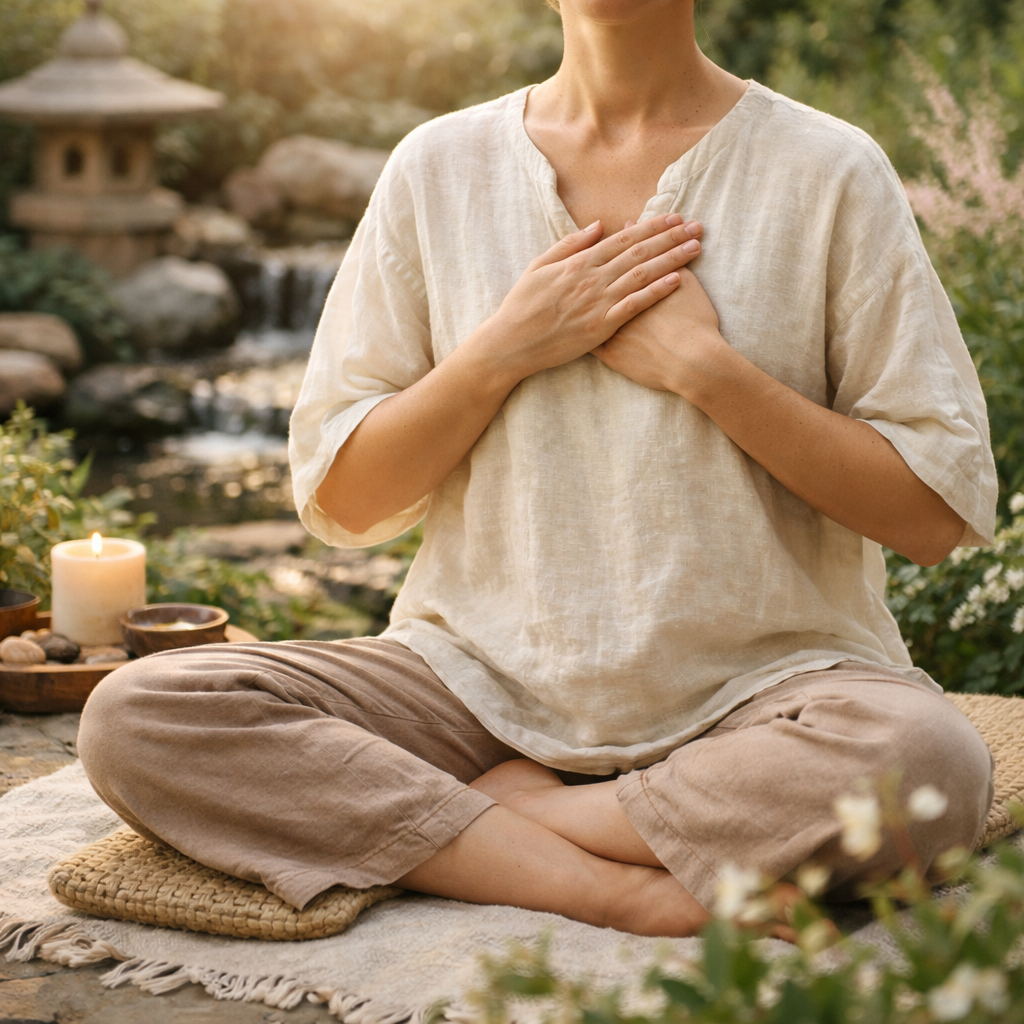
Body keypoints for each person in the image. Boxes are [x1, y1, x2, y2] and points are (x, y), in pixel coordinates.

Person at [79, 0, 998, 938]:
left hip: (766, 693)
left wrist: (709, 372)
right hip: (469, 687)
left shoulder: (827, 168)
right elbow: (348, 492)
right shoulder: (436, 169)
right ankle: (613, 888)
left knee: (926, 765)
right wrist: (504, 350)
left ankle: (512, 820)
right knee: (141, 714)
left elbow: (927, 513)